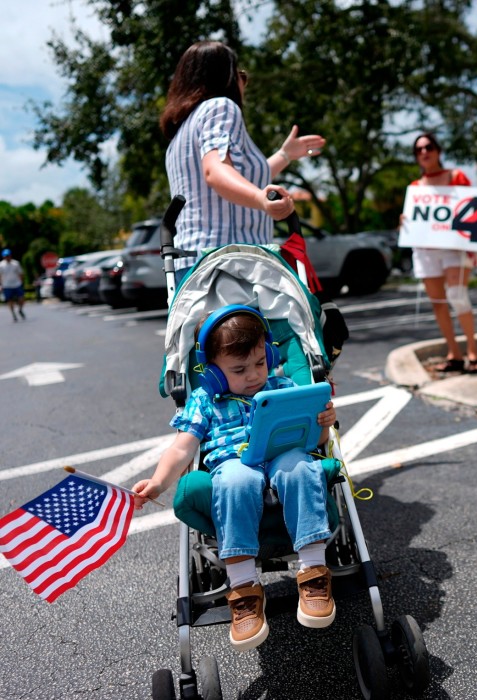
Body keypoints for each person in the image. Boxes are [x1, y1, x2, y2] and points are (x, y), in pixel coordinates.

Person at [132, 306, 337, 652]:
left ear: (270, 355)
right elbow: (182, 449)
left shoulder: (281, 386)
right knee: (235, 481)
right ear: (211, 372)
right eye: (239, 370)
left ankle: (314, 571)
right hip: (234, 465)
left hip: (282, 455)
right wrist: (157, 481)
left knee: (300, 466)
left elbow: (315, 443)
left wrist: (324, 424)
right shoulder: (205, 400)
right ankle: (243, 588)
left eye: (260, 363)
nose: (254, 375)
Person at [159, 40, 326, 282]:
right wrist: (262, 200)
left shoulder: (180, 134)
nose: (243, 82)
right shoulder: (221, 107)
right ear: (226, 77)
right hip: (234, 265)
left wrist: (285, 155)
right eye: (241, 75)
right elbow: (216, 172)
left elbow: (237, 179)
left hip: (191, 268)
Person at [406, 133, 477, 374]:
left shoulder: (456, 177)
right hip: (427, 252)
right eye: (418, 150)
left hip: (454, 248)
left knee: (458, 295)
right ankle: (454, 353)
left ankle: (473, 351)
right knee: (438, 303)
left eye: (428, 147)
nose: (424, 152)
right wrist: (404, 222)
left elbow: (474, 209)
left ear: (438, 150)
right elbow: (413, 224)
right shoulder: (415, 188)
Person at [0, 249, 26, 322]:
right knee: (10, 300)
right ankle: (13, 314)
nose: (7, 257)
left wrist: (21, 282)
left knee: (21, 298)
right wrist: (1, 285)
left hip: (16, 284)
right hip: (7, 285)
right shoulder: (1, 265)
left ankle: (20, 309)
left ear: (10, 256)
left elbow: (20, 273)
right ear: (3, 257)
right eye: (6, 256)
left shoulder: (16, 263)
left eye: (8, 256)